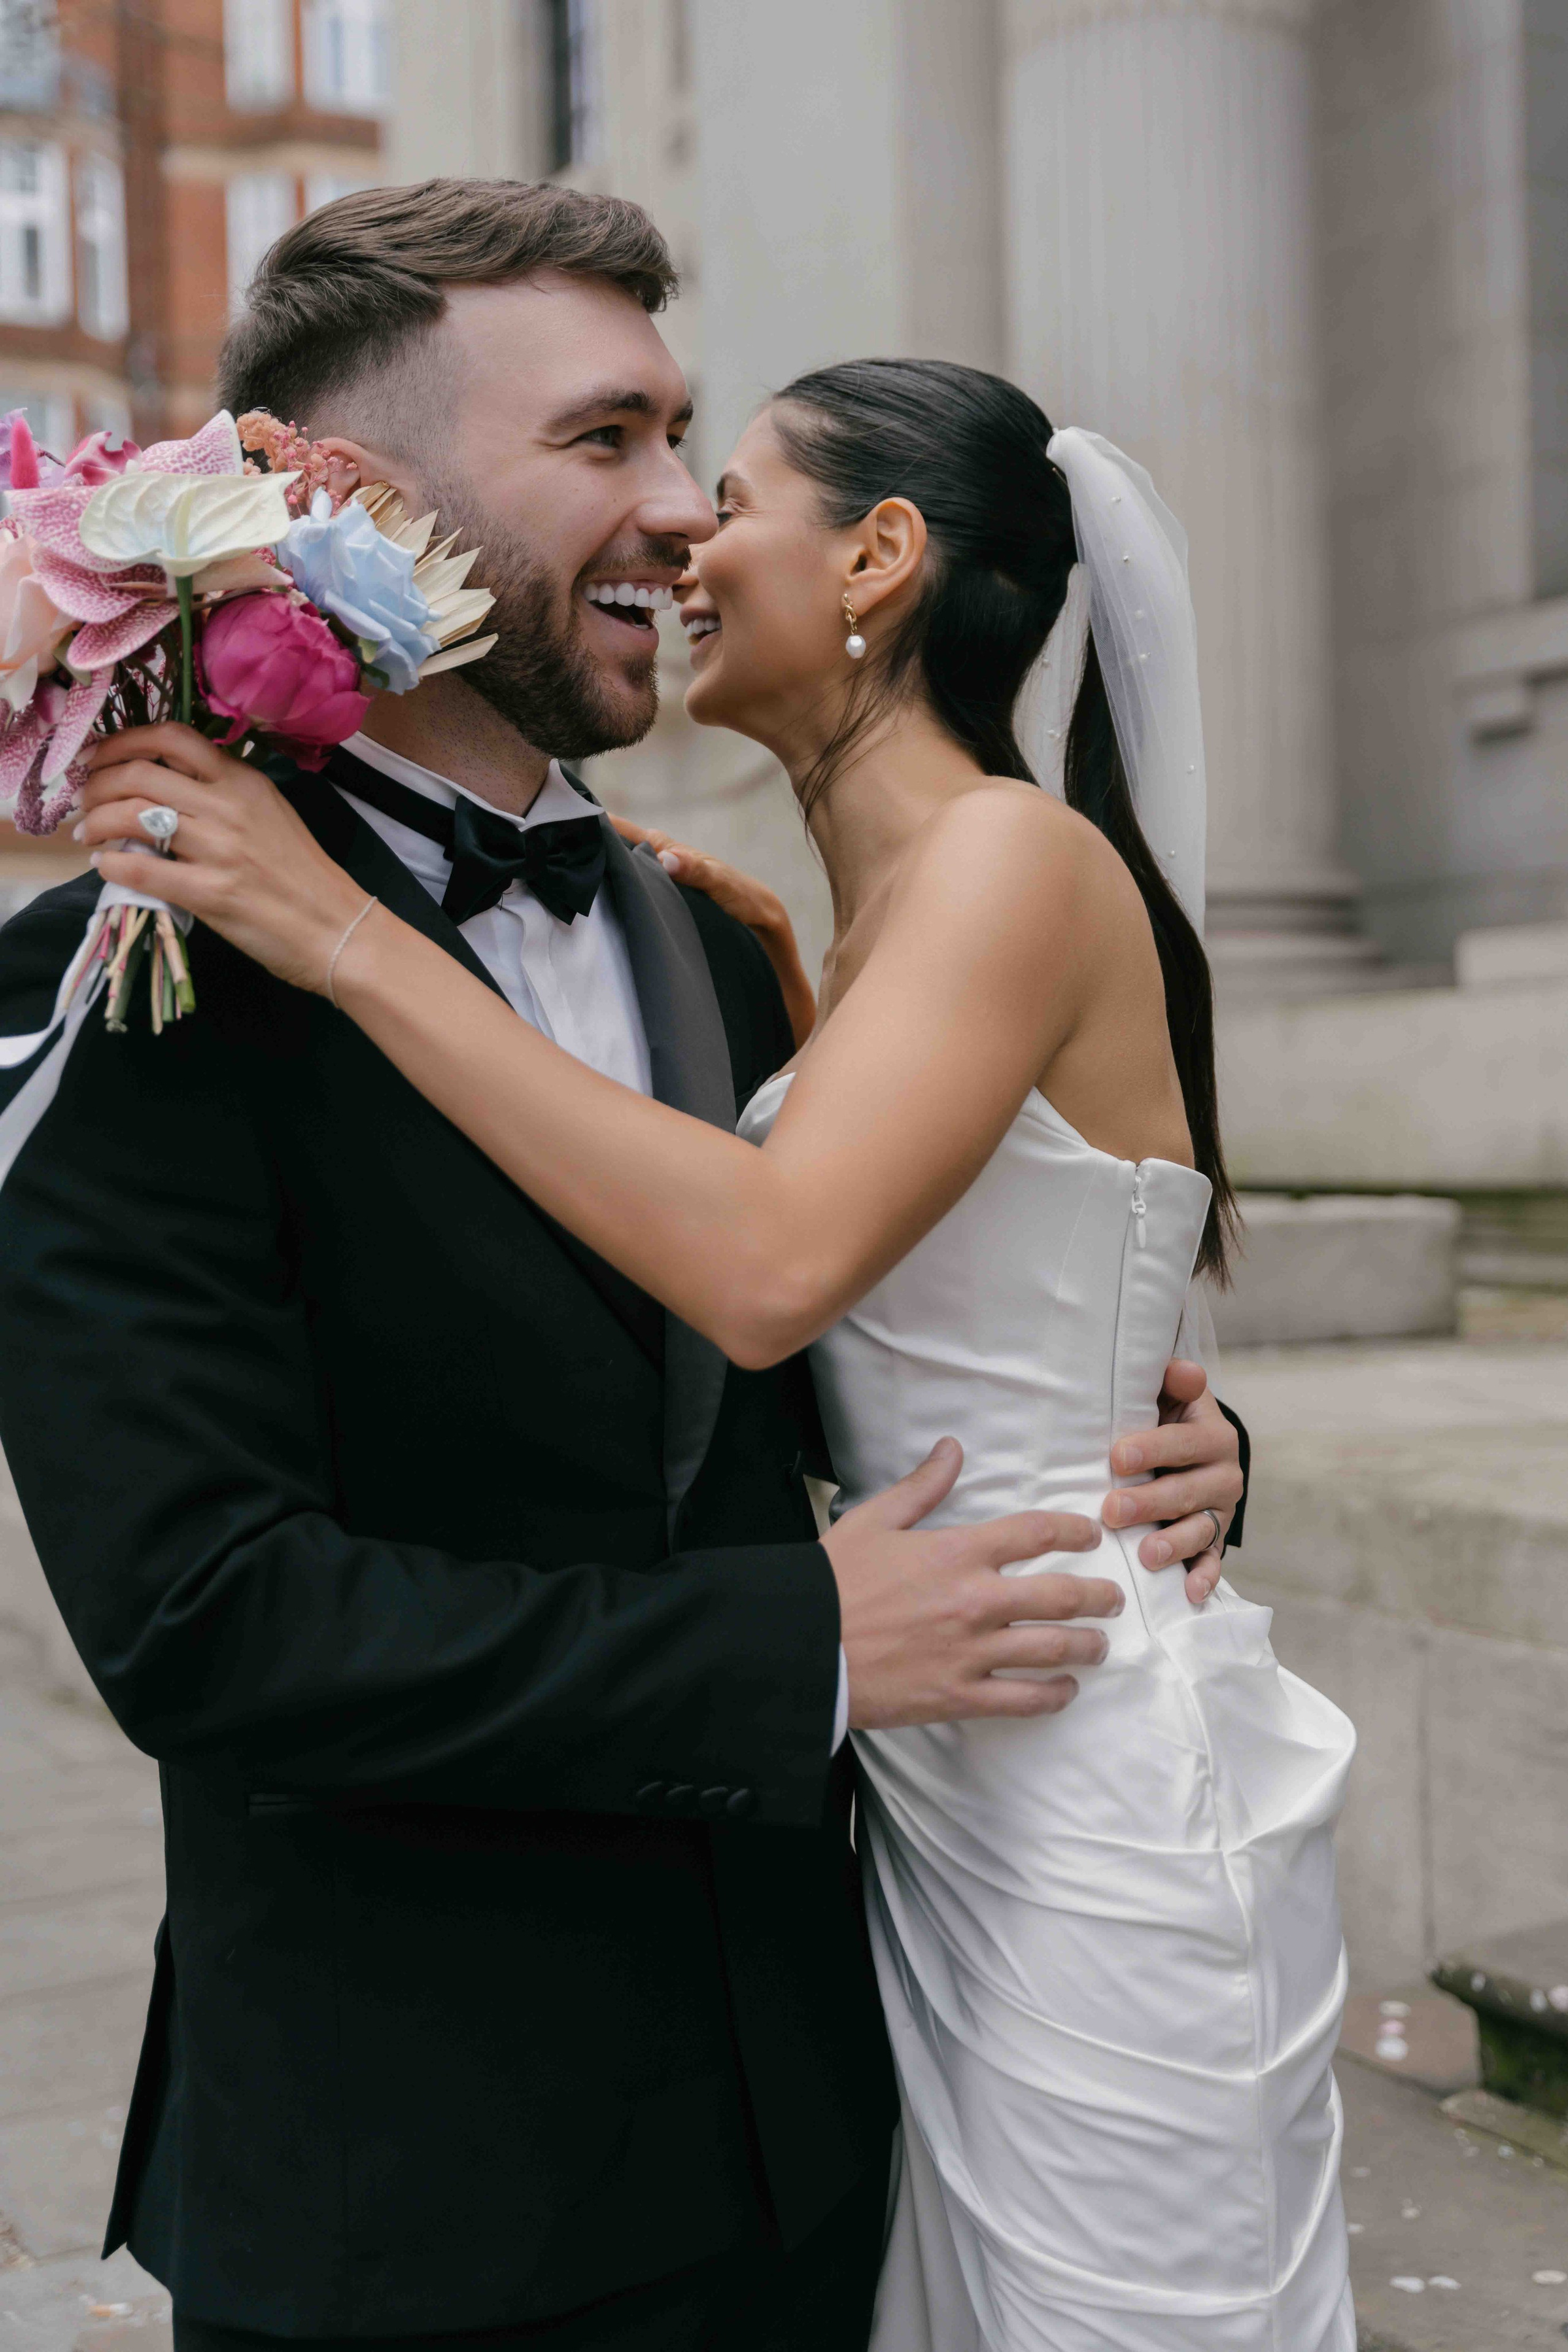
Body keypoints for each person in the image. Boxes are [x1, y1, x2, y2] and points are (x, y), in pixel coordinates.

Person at [0, 183, 1250, 2352]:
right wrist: (797, 1647)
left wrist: (1170, 1453)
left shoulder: (721, 945)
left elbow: (901, 1336)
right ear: (339, 492)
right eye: (607, 442)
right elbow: (206, 1622)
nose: (680, 513)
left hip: (832, 2123)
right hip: (416, 2202)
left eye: (686, 439)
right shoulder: (122, 984)